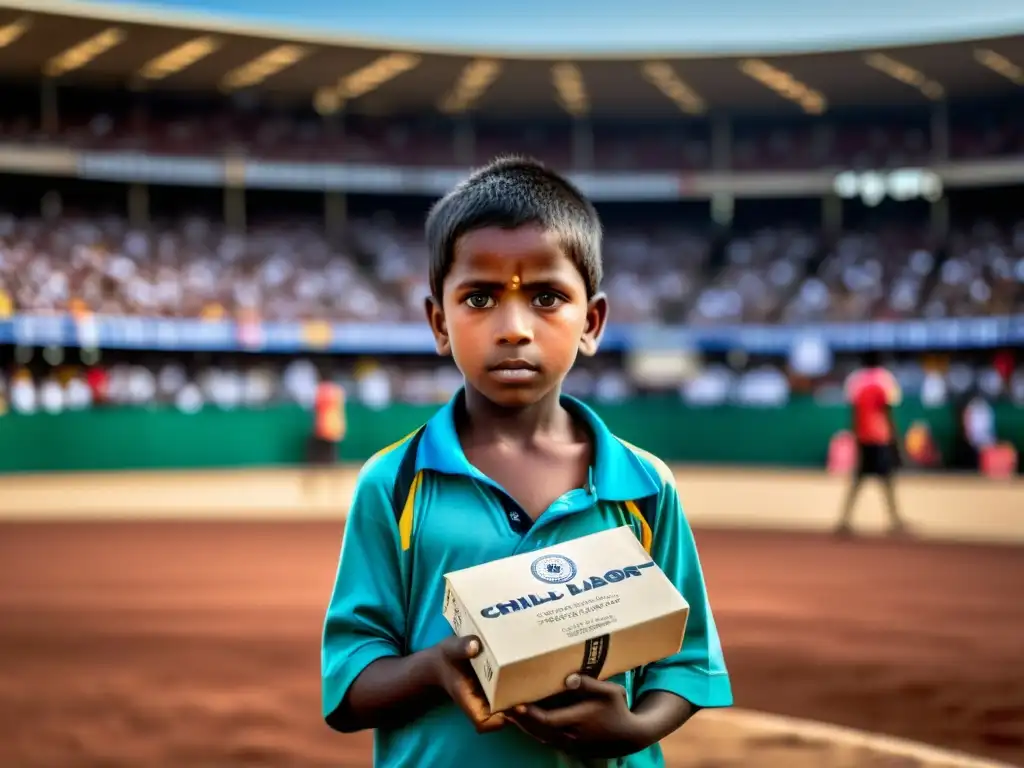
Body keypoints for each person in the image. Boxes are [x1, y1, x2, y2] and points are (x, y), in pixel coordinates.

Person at [321, 157, 733, 767]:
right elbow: (349, 688)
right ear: (439, 321)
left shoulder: (646, 486)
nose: (514, 328)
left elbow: (688, 661)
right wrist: (433, 669)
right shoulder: (394, 483)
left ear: (591, 322)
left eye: (546, 297)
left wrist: (633, 729)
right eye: (480, 297)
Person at [835, 350, 907, 536]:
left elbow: (853, 411)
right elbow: (888, 409)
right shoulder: (884, 379)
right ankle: (895, 520)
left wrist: (855, 433)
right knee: (887, 479)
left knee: (858, 479)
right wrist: (894, 436)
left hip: (863, 436)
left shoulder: (855, 380)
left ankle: (845, 520)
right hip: (881, 436)